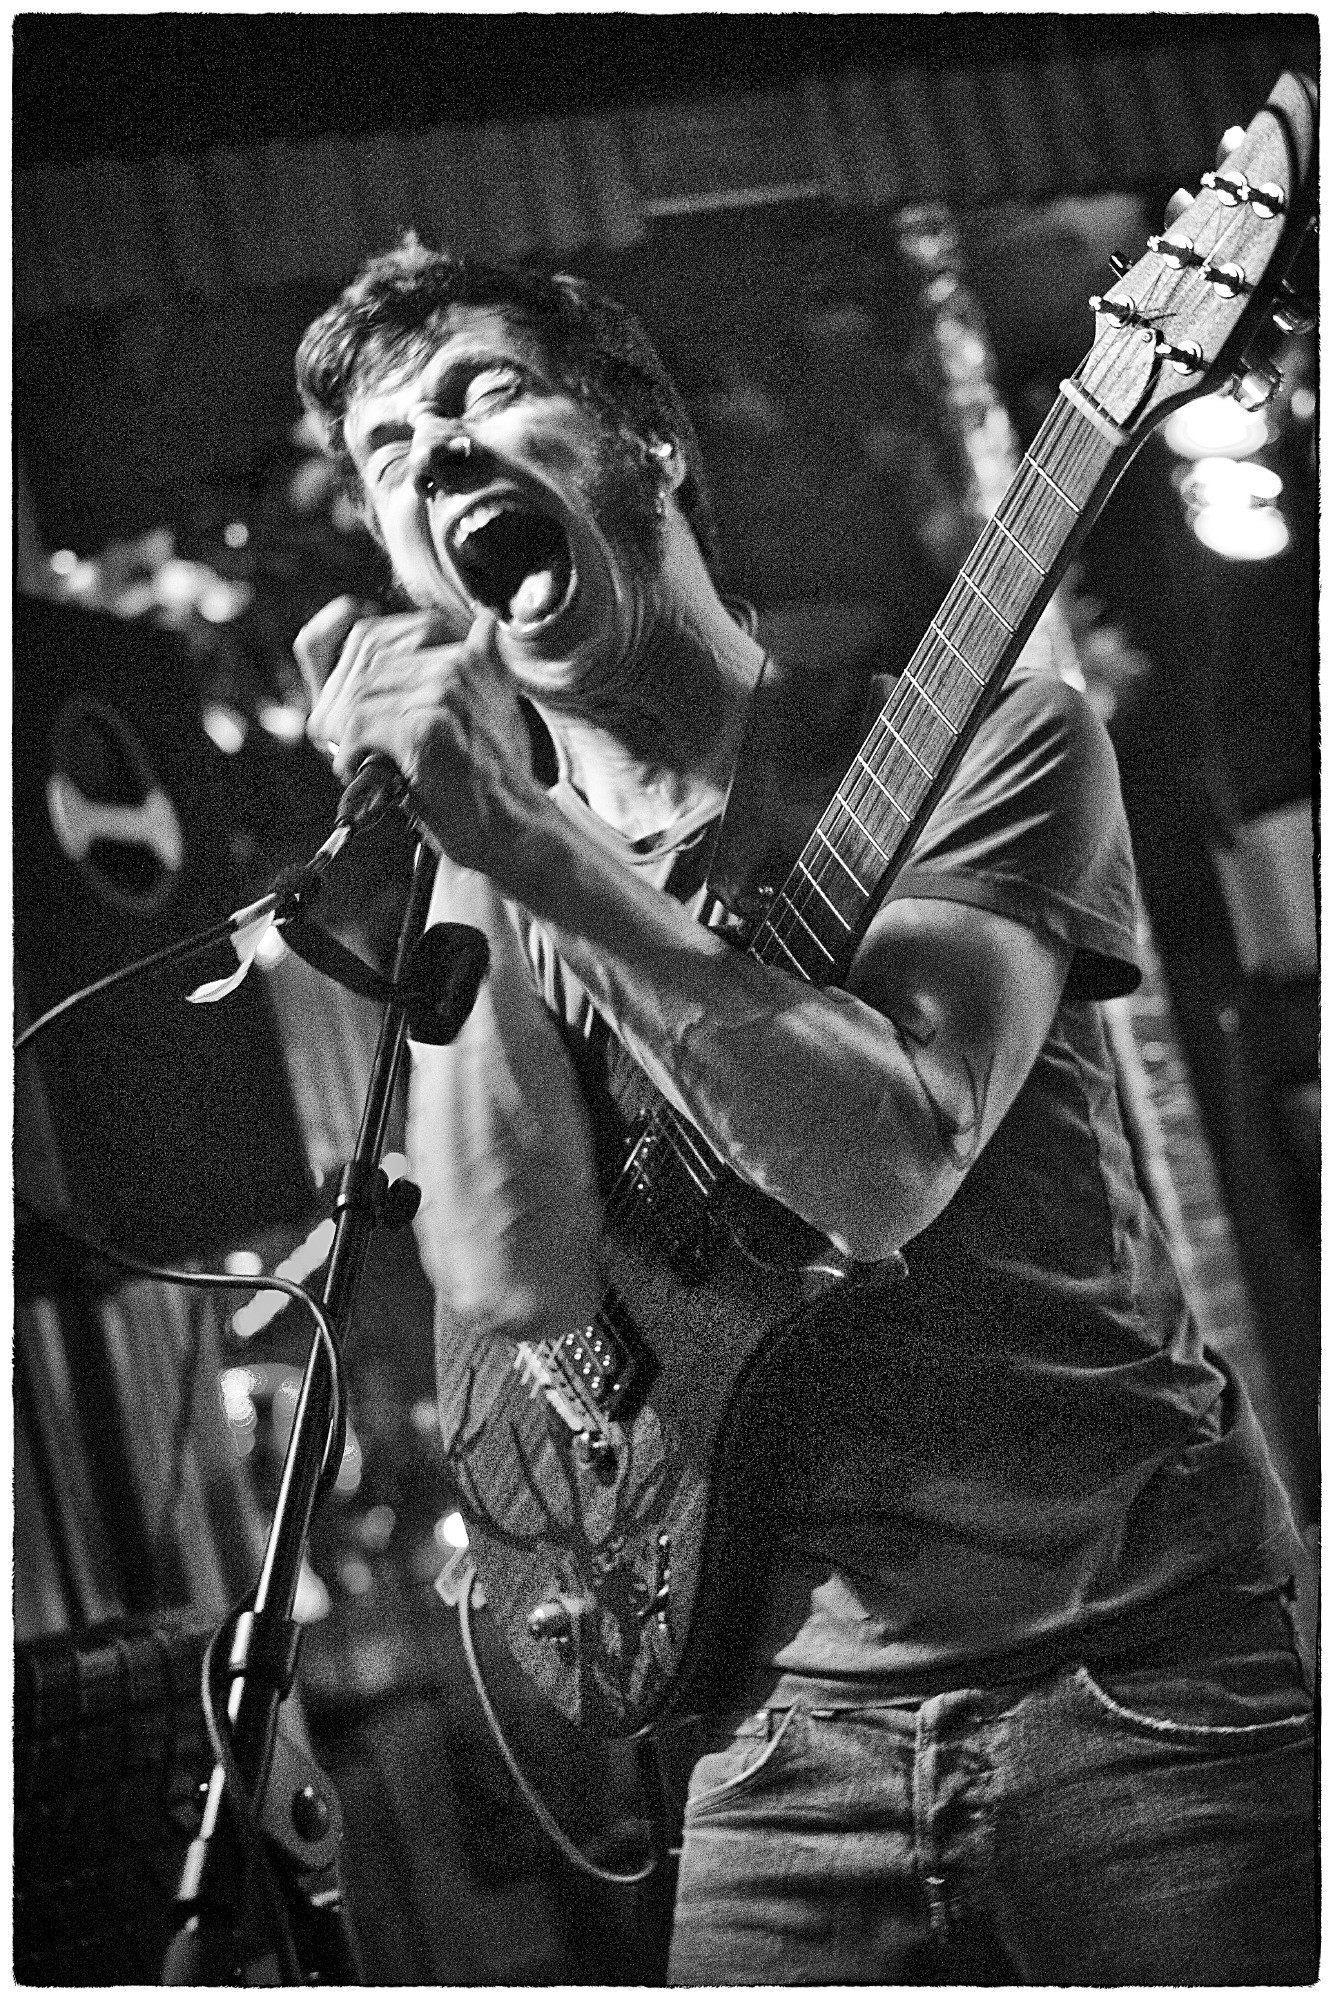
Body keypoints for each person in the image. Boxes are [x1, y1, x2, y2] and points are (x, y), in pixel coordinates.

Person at [293, 239, 1316, 1985]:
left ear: (645, 438)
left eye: (486, 395)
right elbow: (514, 1282)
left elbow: (885, 1162)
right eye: (390, 452)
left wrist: (524, 844)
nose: (438, 452)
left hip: (1138, 1685)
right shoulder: (493, 878)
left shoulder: (983, 740)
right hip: (774, 1747)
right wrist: (479, 842)